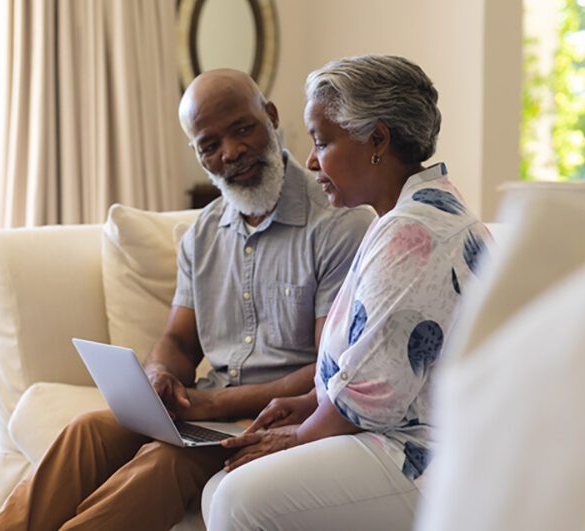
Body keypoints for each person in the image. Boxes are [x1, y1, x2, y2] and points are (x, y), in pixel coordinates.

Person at [0, 69, 374, 531]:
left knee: (164, 461)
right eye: (209, 144)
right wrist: (159, 374)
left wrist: (213, 408)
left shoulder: (336, 223)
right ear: (198, 153)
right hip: (207, 413)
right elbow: (178, 341)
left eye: (242, 128)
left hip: (280, 420)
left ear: (270, 116)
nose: (231, 152)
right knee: (84, 433)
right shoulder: (201, 235)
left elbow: (331, 368)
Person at [203, 55, 492, 531]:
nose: (312, 160)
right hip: (399, 434)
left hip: (429, 452)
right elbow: (376, 364)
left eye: (321, 141)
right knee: (222, 488)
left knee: (237, 498)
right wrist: (312, 404)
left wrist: (299, 436)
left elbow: (373, 396)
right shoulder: (410, 214)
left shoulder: (414, 232)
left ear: (377, 139)